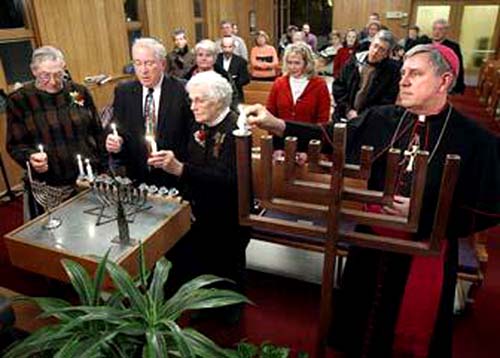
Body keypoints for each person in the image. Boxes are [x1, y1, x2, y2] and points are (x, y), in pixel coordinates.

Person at [244, 43, 500, 357]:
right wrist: (277, 124)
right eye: (403, 73)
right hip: (372, 240)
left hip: (426, 248)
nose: (403, 80)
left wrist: (428, 212)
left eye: (415, 74)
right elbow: (330, 136)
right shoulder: (382, 118)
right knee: (359, 329)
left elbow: (489, 205)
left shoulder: (475, 140)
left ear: (444, 81)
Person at [148, 70, 249, 305]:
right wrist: (170, 160)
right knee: (201, 263)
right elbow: (190, 158)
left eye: (199, 100)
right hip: (199, 210)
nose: (192, 106)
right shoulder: (199, 124)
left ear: (218, 100)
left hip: (227, 217)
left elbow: (228, 180)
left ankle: (229, 310)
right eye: (191, 99)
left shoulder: (236, 130)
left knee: (225, 270)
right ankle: (202, 303)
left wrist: (182, 169)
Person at [6, 46, 106, 219]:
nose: (53, 81)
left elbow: (96, 131)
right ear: (34, 71)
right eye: (46, 75)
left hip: (89, 179)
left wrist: (105, 167)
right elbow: (15, 145)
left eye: (58, 74)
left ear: (64, 67)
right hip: (52, 188)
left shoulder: (76, 93)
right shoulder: (21, 101)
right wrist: (31, 157)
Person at [105, 37, 192, 187]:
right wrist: (114, 142)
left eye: (149, 63)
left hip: (174, 178)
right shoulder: (123, 91)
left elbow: (192, 136)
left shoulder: (182, 91)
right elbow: (116, 129)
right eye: (137, 63)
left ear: (163, 64)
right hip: (137, 177)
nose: (143, 70)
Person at [332, 30, 401, 121]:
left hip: (370, 120)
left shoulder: (392, 71)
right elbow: (339, 86)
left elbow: (387, 101)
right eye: (375, 46)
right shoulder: (353, 62)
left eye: (382, 49)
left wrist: (362, 116)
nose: (375, 51)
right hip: (344, 113)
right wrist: (347, 110)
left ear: (386, 54)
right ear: (370, 45)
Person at [266, 42, 331, 124]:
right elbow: (271, 113)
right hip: (281, 135)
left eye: (297, 63)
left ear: (307, 63)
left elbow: (323, 118)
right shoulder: (279, 83)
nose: (292, 67)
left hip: (309, 134)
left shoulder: (319, 84)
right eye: (289, 62)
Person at [185, 39, 239, 109]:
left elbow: (232, 99)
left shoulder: (224, 77)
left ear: (214, 58)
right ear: (195, 58)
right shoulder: (187, 78)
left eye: (208, 55)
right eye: (200, 55)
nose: (203, 58)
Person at [432, 18, 465, 94]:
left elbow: (459, 67)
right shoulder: (424, 44)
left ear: (446, 32)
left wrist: (458, 86)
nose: (436, 32)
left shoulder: (453, 47)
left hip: (444, 80)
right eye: (434, 29)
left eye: (440, 29)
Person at [216, 36, 250, 103]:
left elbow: (246, 79)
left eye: (230, 47)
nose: (227, 50)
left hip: (236, 95)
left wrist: (233, 81)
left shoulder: (241, 61)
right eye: (225, 47)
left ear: (234, 47)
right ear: (221, 47)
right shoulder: (216, 59)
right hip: (219, 96)